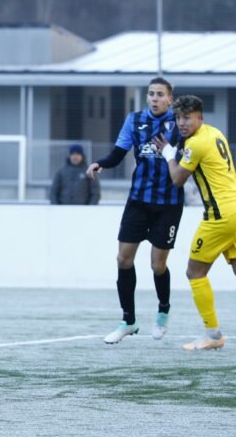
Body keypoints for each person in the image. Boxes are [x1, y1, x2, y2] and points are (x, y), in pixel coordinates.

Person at [87, 77, 183, 344]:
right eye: (151, 93)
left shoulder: (180, 122)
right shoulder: (135, 120)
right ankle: (128, 320)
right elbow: (119, 153)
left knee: (157, 264)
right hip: (138, 200)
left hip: (169, 202)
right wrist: (100, 164)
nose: (154, 98)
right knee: (123, 259)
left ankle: (163, 310)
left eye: (160, 94)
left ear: (170, 99)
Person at [154, 95, 236, 350]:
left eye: (187, 117)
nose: (181, 123)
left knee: (195, 272)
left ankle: (212, 335)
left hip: (219, 216)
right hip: (234, 207)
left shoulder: (197, 143)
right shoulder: (214, 133)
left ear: (200, 117)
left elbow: (177, 178)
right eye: (178, 117)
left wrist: (169, 153)